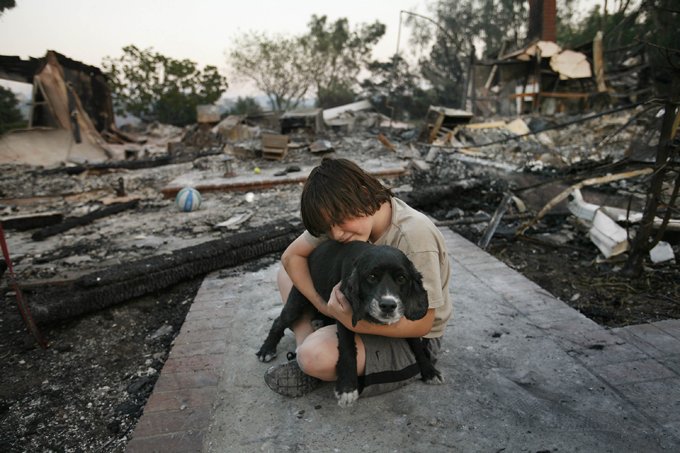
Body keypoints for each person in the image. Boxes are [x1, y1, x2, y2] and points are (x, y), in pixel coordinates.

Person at [265, 157, 452, 398]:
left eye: (338, 223)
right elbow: (292, 257)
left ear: (363, 195)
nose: (335, 234)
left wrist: (344, 318)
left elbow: (423, 324)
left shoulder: (414, 237)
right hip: (356, 309)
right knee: (288, 274)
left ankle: (315, 357)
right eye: (327, 228)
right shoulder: (345, 220)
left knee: (315, 356)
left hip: (411, 333)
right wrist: (325, 307)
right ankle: (304, 337)